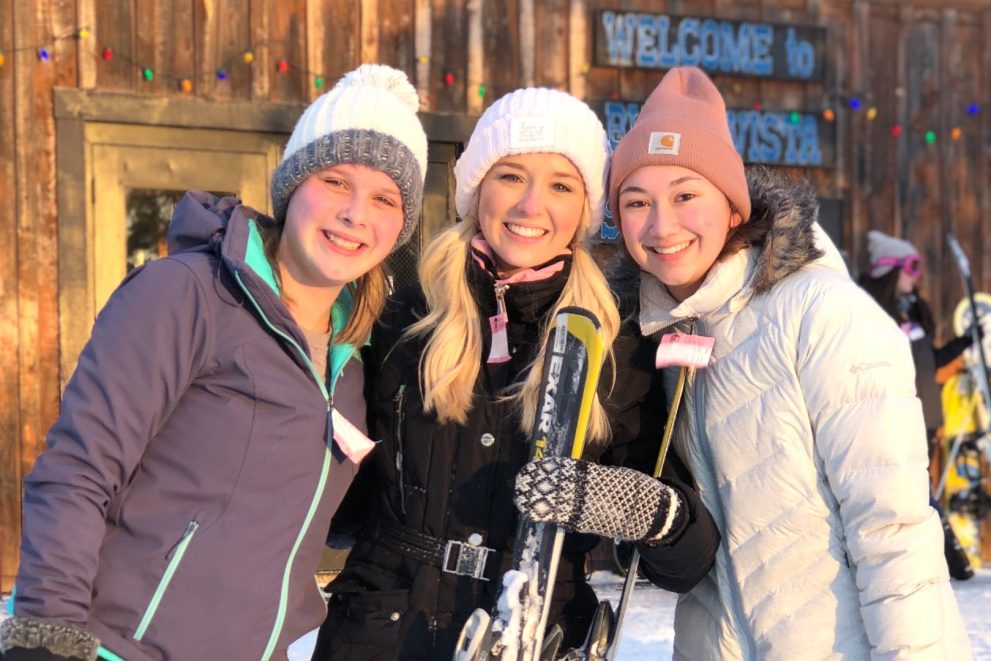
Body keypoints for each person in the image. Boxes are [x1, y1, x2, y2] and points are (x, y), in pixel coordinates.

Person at [0, 64, 428, 661]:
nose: (357, 213)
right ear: (292, 187)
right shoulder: (187, 294)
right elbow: (77, 471)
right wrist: (48, 639)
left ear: (400, 226)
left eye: (384, 198)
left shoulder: (354, 358)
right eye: (335, 181)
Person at [312, 87, 719, 660]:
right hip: (382, 632)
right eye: (509, 176)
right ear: (476, 190)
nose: (531, 207)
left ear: (585, 209)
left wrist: (647, 510)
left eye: (560, 185)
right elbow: (340, 515)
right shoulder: (405, 317)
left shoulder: (614, 345)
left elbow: (688, 563)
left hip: (537, 635)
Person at [609, 66, 971, 659]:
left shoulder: (820, 314)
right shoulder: (653, 338)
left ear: (731, 206)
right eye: (636, 201)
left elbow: (892, 531)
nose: (661, 224)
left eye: (685, 195)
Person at [858, 229, 982, 580]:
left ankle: (943, 562)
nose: (918, 274)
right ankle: (953, 562)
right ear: (891, 269)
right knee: (914, 491)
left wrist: (964, 343)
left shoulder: (915, 311)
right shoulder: (871, 313)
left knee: (918, 490)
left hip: (926, 414)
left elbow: (930, 361)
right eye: (912, 266)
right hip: (894, 413)